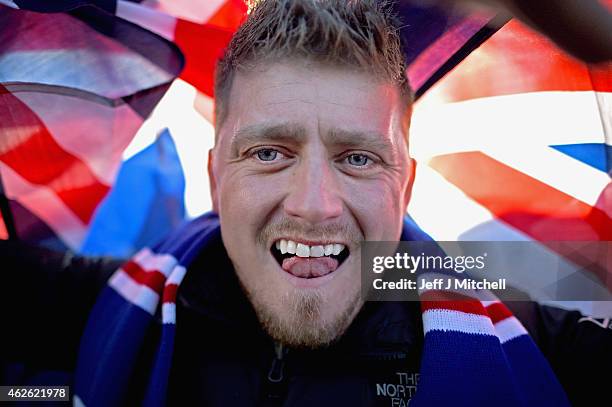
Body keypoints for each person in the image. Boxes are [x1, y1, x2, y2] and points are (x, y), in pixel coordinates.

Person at [1, 0, 611, 406]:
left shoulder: (524, 316)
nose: (314, 205)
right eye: (269, 153)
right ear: (215, 177)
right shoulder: (95, 300)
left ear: (406, 187)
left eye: (358, 158)